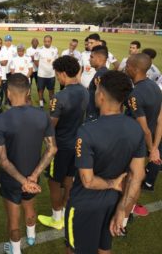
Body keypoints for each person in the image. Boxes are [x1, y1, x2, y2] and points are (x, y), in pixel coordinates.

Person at [65, 70, 146, 254]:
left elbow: (88, 181)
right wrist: (122, 210)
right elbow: (137, 175)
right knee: (104, 249)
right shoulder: (136, 129)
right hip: (114, 202)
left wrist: (111, 183)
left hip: (85, 205)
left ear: (101, 95)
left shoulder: (86, 131)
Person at [0, 73, 57, 254]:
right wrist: (33, 177)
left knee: (13, 219)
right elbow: (52, 149)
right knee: (30, 208)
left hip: (12, 180)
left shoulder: (0, 120)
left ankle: (15, 250)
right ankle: (31, 236)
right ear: (29, 91)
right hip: (33, 176)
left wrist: (23, 181)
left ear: (8, 92)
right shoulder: (43, 116)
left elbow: (3, 160)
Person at [38, 56, 88, 230]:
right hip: (78, 145)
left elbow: (51, 127)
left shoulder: (59, 97)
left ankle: (57, 218)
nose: (57, 77)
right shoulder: (85, 91)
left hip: (60, 147)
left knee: (53, 182)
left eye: (57, 74)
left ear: (64, 73)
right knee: (69, 179)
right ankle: (67, 211)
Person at [125, 53, 162, 218]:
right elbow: (160, 121)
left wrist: (151, 149)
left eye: (127, 66)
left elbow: (145, 128)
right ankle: (131, 207)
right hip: (147, 143)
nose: (125, 68)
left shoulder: (135, 95)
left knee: (130, 178)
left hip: (135, 143)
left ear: (134, 69)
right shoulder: (155, 87)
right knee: (136, 176)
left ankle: (125, 214)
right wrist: (154, 147)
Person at [86, 45, 110, 121]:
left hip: (95, 116)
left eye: (91, 57)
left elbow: (104, 98)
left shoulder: (100, 75)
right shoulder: (104, 72)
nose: (89, 59)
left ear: (99, 58)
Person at [34, 35, 58, 107]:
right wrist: (42, 68)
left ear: (51, 41)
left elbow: (56, 61)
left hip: (51, 75)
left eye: (48, 41)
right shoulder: (39, 50)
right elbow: (36, 61)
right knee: (40, 89)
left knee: (51, 90)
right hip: (41, 75)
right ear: (43, 41)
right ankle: (41, 103)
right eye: (45, 41)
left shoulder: (55, 49)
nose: (47, 43)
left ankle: (51, 104)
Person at [2, 35, 17, 105]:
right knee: (4, 86)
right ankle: (6, 99)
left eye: (9, 41)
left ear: (11, 41)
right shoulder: (2, 48)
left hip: (12, 71)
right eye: (6, 41)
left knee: (11, 86)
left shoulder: (15, 48)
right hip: (4, 71)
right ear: (4, 41)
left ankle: (11, 99)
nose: (8, 42)